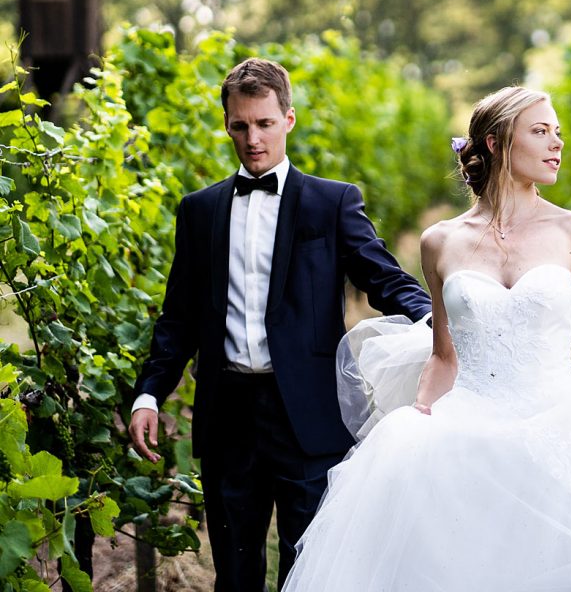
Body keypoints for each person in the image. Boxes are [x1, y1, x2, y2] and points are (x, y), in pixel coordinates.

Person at [282, 85, 571, 592]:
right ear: (496, 142)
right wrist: (419, 417)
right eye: (540, 131)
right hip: (470, 423)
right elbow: (444, 355)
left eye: (558, 132)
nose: (557, 143)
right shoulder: (440, 241)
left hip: (562, 418)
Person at [128, 58, 431, 592]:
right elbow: (178, 317)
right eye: (240, 125)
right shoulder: (198, 211)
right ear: (227, 124)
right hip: (228, 419)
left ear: (288, 119)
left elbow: (383, 278)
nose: (252, 138)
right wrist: (149, 394)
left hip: (309, 418)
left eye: (264, 123)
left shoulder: (332, 201)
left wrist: (435, 319)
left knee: (312, 572)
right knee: (235, 574)